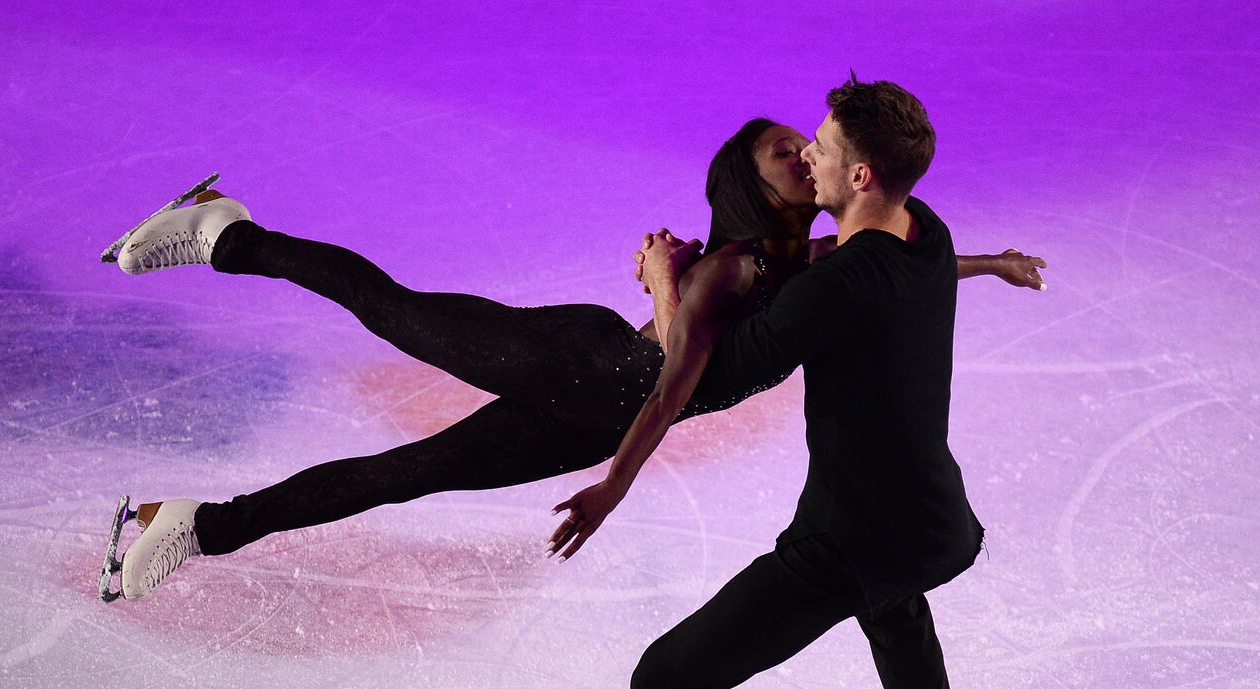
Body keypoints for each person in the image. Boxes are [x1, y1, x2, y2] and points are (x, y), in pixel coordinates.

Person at [106, 120, 1043, 601]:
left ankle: (198, 524)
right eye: (779, 154)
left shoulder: (822, 260)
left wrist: (991, 263)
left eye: (800, 150)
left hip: (601, 407)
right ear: (748, 185)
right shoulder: (733, 264)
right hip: (586, 365)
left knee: (408, 473)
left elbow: (898, 271)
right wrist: (617, 478)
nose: (802, 155)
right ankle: (225, 231)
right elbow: (678, 375)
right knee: (388, 309)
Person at [605, 77, 1001, 689]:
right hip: (928, 516)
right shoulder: (922, 231)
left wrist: (666, 283)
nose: (806, 158)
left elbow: (700, 373)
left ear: (860, 175)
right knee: (895, 611)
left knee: (666, 684)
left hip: (849, 539)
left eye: (819, 147)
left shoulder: (834, 291)